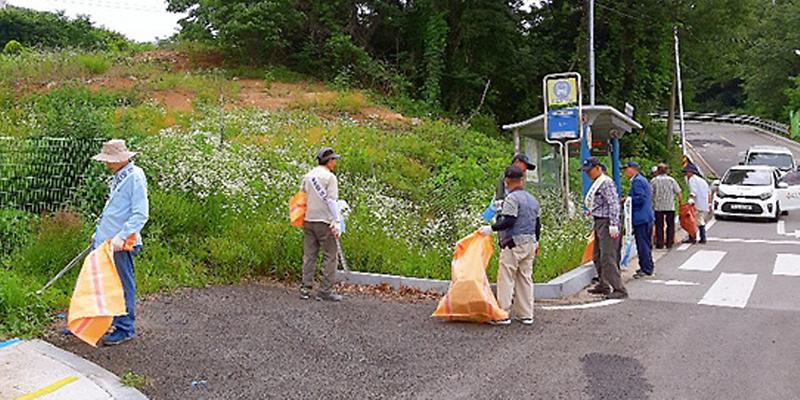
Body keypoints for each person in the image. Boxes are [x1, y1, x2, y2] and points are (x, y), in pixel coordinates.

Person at [91, 139, 149, 346]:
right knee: (100, 283)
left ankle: (125, 327)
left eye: (109, 160)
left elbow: (141, 214)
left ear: (121, 159)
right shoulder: (119, 176)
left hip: (120, 243)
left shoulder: (135, 178)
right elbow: (114, 210)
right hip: (105, 240)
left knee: (122, 285)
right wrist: (99, 235)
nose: (106, 164)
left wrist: (121, 236)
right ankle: (97, 322)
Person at [479, 165, 540, 326]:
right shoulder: (532, 199)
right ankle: (526, 314)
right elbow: (537, 224)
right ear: (522, 180)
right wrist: (537, 241)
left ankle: (503, 313)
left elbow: (509, 220)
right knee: (525, 278)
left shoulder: (512, 199)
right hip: (530, 243)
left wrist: (490, 228)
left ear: (507, 180)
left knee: (506, 277)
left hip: (513, 243)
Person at [300, 147, 344, 302]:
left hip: (308, 220)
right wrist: (337, 220)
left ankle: (305, 288)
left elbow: (301, 197)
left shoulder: (308, 175)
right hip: (324, 221)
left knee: (309, 255)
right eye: (334, 159)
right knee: (330, 255)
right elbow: (331, 201)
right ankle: (325, 291)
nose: (335, 162)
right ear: (329, 161)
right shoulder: (330, 178)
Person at [581, 157, 627, 299]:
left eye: (589, 171)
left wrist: (614, 224)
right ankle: (604, 283)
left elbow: (613, 203)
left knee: (608, 256)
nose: (588, 174)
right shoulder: (598, 183)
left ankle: (619, 288)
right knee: (597, 255)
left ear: (597, 168)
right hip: (599, 221)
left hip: (607, 222)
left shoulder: (605, 183)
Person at [623, 161, 655, 278]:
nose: (625, 172)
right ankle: (647, 266)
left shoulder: (637, 181)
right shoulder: (642, 180)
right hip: (646, 216)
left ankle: (646, 268)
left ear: (633, 169)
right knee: (645, 243)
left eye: (626, 169)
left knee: (642, 244)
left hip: (641, 217)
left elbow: (640, 198)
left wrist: (628, 200)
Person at [651, 163, 682, 249]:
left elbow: (650, 193)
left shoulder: (654, 180)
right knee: (670, 225)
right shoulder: (671, 180)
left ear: (658, 170)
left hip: (658, 206)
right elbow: (678, 192)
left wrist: (651, 202)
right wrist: (680, 202)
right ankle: (669, 243)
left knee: (659, 226)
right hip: (670, 206)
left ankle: (660, 244)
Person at [684, 164, 710, 244]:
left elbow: (693, 192)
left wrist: (690, 201)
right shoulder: (702, 180)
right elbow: (709, 192)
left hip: (696, 204)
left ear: (691, 172)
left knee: (692, 221)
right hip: (704, 203)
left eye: (687, 172)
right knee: (700, 220)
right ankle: (702, 237)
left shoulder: (692, 180)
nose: (686, 174)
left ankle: (695, 238)